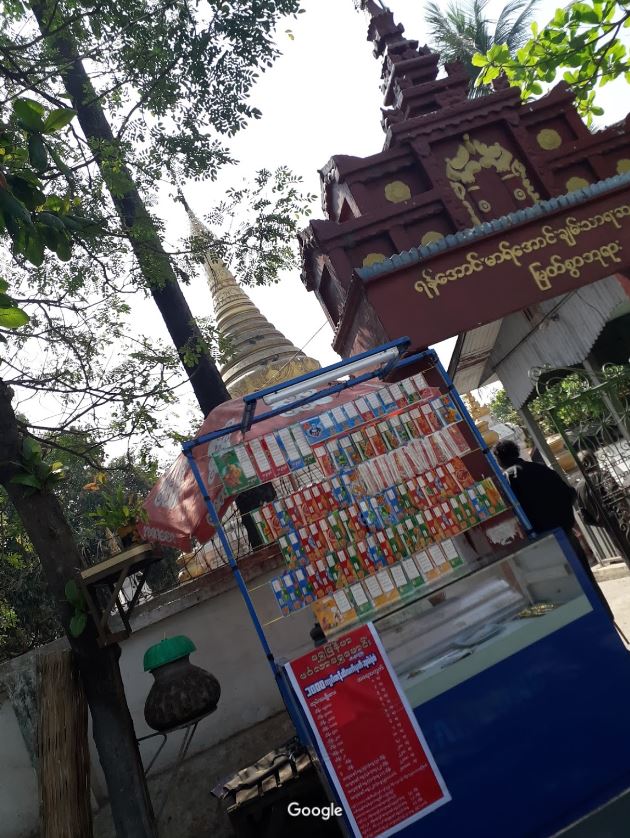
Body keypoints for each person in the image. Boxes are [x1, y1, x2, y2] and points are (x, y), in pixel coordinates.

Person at [493, 440, 614, 620]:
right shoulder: (541, 469)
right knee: (587, 580)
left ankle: (592, 623)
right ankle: (606, 618)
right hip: (566, 534)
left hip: (543, 544)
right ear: (516, 452)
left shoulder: (509, 479)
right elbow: (569, 493)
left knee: (565, 591)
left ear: (499, 459)